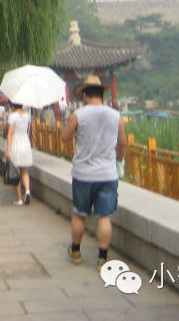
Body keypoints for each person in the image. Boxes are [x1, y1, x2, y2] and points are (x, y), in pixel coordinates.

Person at [60, 74, 126, 269]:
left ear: (85, 95)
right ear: (102, 95)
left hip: (83, 174)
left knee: (79, 214)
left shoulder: (78, 115)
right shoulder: (116, 115)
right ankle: (102, 258)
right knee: (104, 216)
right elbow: (123, 143)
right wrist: (119, 159)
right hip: (107, 174)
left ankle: (76, 251)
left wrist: (73, 129)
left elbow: (65, 138)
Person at [6, 102, 33, 205]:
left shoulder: (12, 116)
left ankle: (19, 199)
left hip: (16, 143)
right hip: (25, 142)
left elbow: (10, 134)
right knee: (24, 171)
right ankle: (27, 190)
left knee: (15, 172)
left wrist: (8, 149)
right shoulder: (27, 116)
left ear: (12, 106)